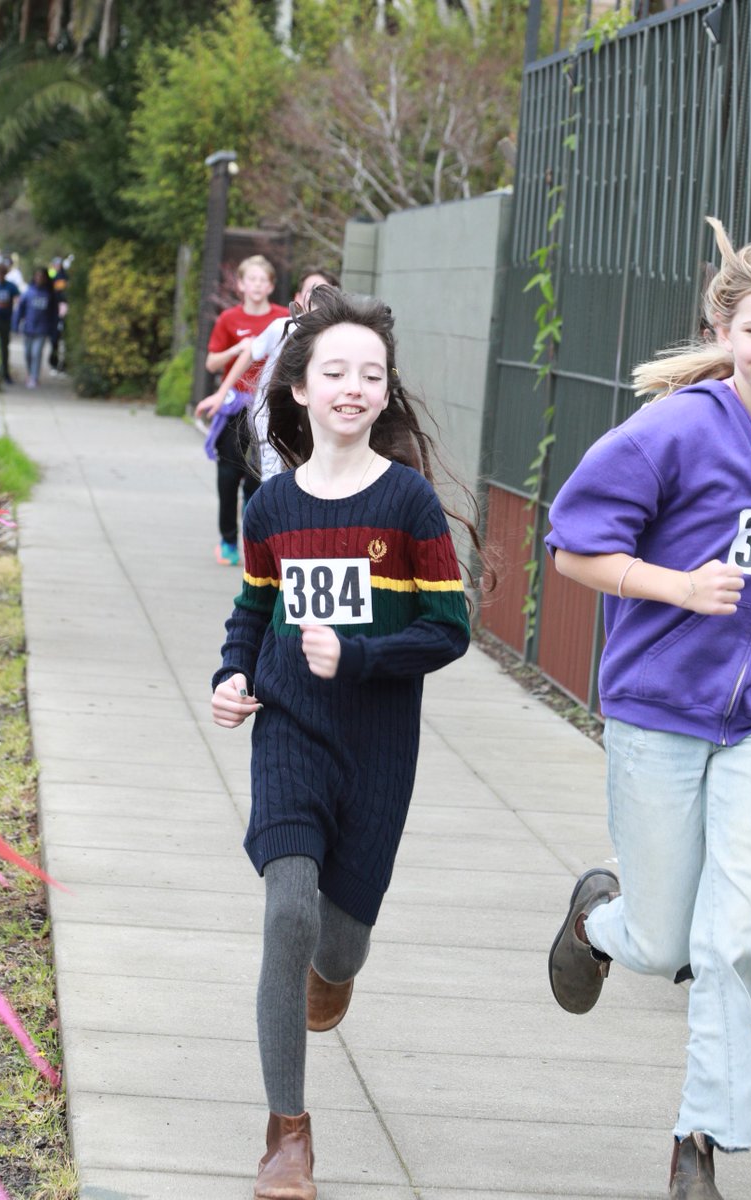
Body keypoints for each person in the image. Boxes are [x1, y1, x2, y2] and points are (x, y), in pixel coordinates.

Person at [543, 218, 751, 1199]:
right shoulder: (671, 428)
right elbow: (572, 551)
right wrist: (676, 587)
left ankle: (698, 1143)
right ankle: (598, 921)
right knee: (666, 942)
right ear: (726, 325)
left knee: (737, 938)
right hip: (660, 711)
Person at [210, 286, 479, 1200]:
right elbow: (253, 607)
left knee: (340, 942)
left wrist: (359, 656)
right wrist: (233, 675)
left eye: (372, 374)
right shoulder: (272, 508)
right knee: (286, 909)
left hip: (377, 747)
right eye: (336, 373)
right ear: (299, 390)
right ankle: (287, 1134)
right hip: (289, 731)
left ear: (386, 391)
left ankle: (338, 969)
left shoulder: (406, 504)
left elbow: (449, 628)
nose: (355, 388)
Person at [196, 266, 341, 484]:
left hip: (314, 415)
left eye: (323, 291)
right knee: (269, 477)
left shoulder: (339, 336)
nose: (317, 297)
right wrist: (221, 393)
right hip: (273, 414)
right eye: (311, 291)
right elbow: (249, 353)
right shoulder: (283, 327)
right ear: (299, 298)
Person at [203, 255, 289, 566]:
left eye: (263, 280)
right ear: (240, 284)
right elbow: (212, 363)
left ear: (271, 286)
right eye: (250, 279)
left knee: (259, 477)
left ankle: (255, 541)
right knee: (228, 477)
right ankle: (227, 540)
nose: (257, 285)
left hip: (269, 406)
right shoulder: (228, 318)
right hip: (236, 406)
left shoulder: (281, 318)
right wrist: (238, 349)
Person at [14, 267, 58, 388]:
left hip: (42, 329)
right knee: (28, 354)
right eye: (37, 276)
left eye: (42, 276)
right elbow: (20, 310)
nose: (39, 279)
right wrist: (16, 324)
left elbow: (54, 314)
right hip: (28, 328)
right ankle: (30, 374)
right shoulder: (28, 292)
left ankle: (34, 377)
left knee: (36, 353)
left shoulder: (50, 294)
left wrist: (53, 330)